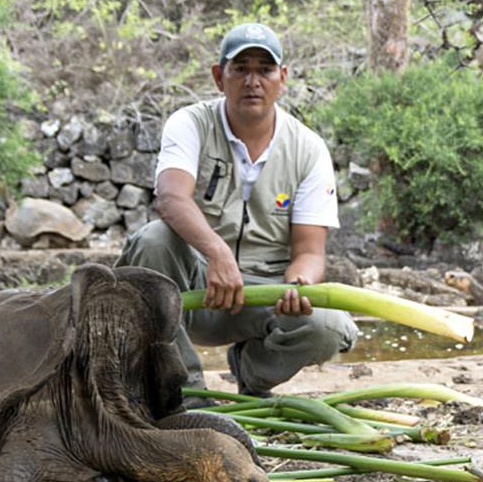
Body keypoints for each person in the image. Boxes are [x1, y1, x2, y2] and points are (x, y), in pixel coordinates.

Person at [117, 23, 358, 404]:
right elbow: (171, 198)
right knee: (153, 240)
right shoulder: (190, 123)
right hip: (194, 290)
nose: (252, 81)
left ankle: (252, 372)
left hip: (263, 292)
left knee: (328, 327)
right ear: (219, 76)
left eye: (265, 70)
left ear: (282, 78)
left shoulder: (309, 149)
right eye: (240, 68)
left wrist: (298, 284)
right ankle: (186, 393)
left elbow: (310, 252)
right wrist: (217, 253)